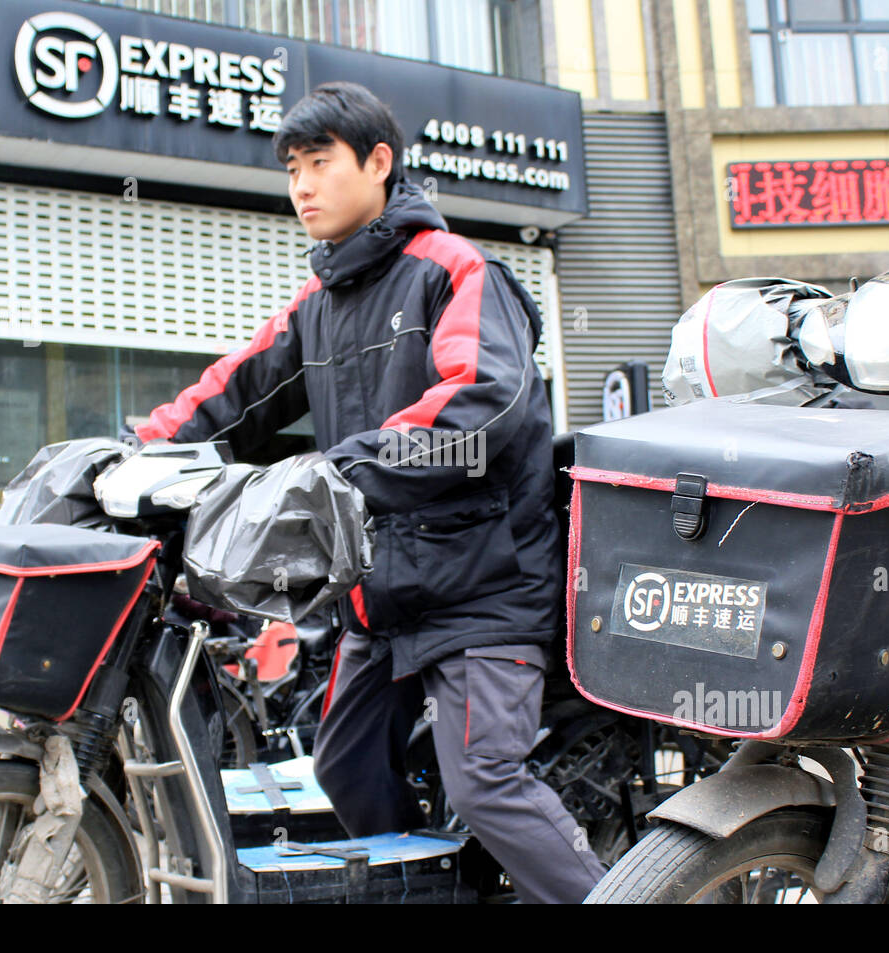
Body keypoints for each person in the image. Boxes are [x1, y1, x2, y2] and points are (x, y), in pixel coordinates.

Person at [135, 81, 605, 903]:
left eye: (321, 163)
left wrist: (346, 465)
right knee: (343, 764)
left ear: (379, 163)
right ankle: (446, 891)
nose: (303, 187)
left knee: (484, 779)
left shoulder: (456, 272)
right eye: (292, 170)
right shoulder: (318, 306)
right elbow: (229, 396)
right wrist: (134, 457)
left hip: (482, 586)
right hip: (380, 596)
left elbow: (482, 405)